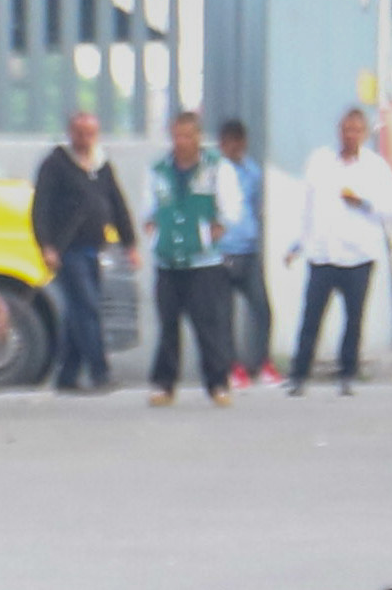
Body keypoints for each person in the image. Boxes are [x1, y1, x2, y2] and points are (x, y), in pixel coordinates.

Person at [30, 105, 135, 396]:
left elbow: (117, 204)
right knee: (87, 308)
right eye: (80, 132)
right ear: (70, 133)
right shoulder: (56, 163)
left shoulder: (101, 166)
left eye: (90, 133)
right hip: (67, 250)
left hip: (93, 248)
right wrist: (46, 246)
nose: (85, 138)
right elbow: (40, 208)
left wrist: (130, 243)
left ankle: (67, 375)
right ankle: (100, 372)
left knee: (78, 311)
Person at [144, 108, 243, 406]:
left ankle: (217, 384)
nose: (181, 142)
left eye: (187, 136)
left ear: (198, 137)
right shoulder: (158, 169)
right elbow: (147, 209)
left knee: (207, 325)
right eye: (176, 136)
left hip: (204, 263)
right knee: (168, 325)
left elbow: (232, 208)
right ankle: (164, 384)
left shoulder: (216, 168)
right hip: (168, 261)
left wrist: (214, 232)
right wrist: (153, 234)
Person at [292, 105, 392, 394]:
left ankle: (347, 375)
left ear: (364, 134)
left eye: (357, 130)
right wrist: (300, 243)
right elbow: (307, 206)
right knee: (311, 316)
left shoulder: (376, 167)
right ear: (339, 132)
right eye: (346, 129)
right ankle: (299, 375)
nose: (351, 135)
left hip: (358, 254)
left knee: (354, 319)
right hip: (323, 252)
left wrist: (363, 202)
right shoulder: (321, 162)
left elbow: (390, 209)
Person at [215, 117, 274, 388]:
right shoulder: (214, 171)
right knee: (224, 315)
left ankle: (261, 363)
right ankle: (232, 367)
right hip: (223, 251)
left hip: (248, 249)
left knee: (262, 308)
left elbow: (253, 205)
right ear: (223, 144)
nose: (236, 149)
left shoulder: (252, 171)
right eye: (231, 144)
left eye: (240, 144)